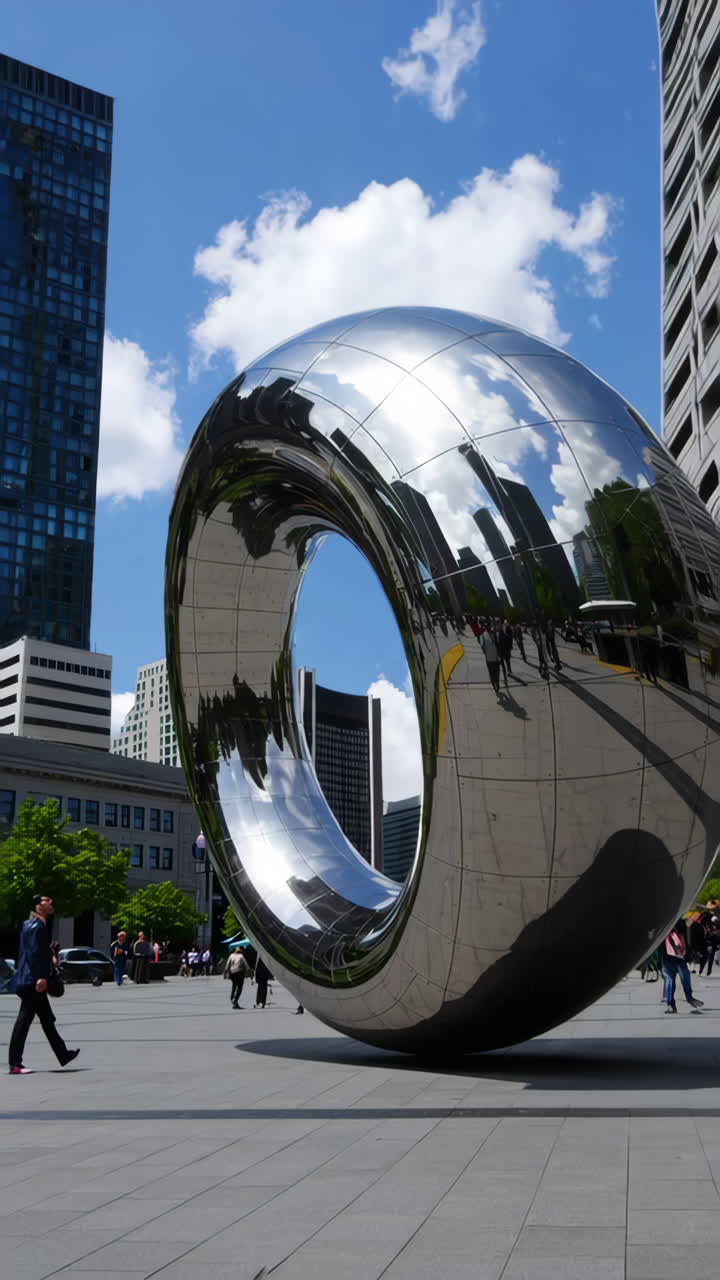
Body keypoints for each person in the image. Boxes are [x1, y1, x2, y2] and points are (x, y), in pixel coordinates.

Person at [8, 893, 80, 1075]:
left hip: (28, 979)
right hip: (33, 982)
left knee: (47, 1020)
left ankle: (63, 1054)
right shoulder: (36, 925)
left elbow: (34, 952)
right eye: (47, 900)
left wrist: (50, 954)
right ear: (38, 906)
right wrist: (41, 977)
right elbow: (32, 954)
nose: (51, 902)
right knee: (24, 1021)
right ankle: (15, 1064)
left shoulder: (30, 924)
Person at [662, 921, 704, 1013]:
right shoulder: (681, 924)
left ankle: (672, 1004)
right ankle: (687, 999)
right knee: (683, 979)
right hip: (676, 958)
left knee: (671, 980)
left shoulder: (664, 924)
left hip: (669, 957)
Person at [480, 626, 501, 696]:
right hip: (491, 658)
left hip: (494, 658)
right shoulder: (483, 635)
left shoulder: (484, 635)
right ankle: (495, 685)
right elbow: (482, 647)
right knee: (494, 673)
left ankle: (496, 684)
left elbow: (482, 647)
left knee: (494, 673)